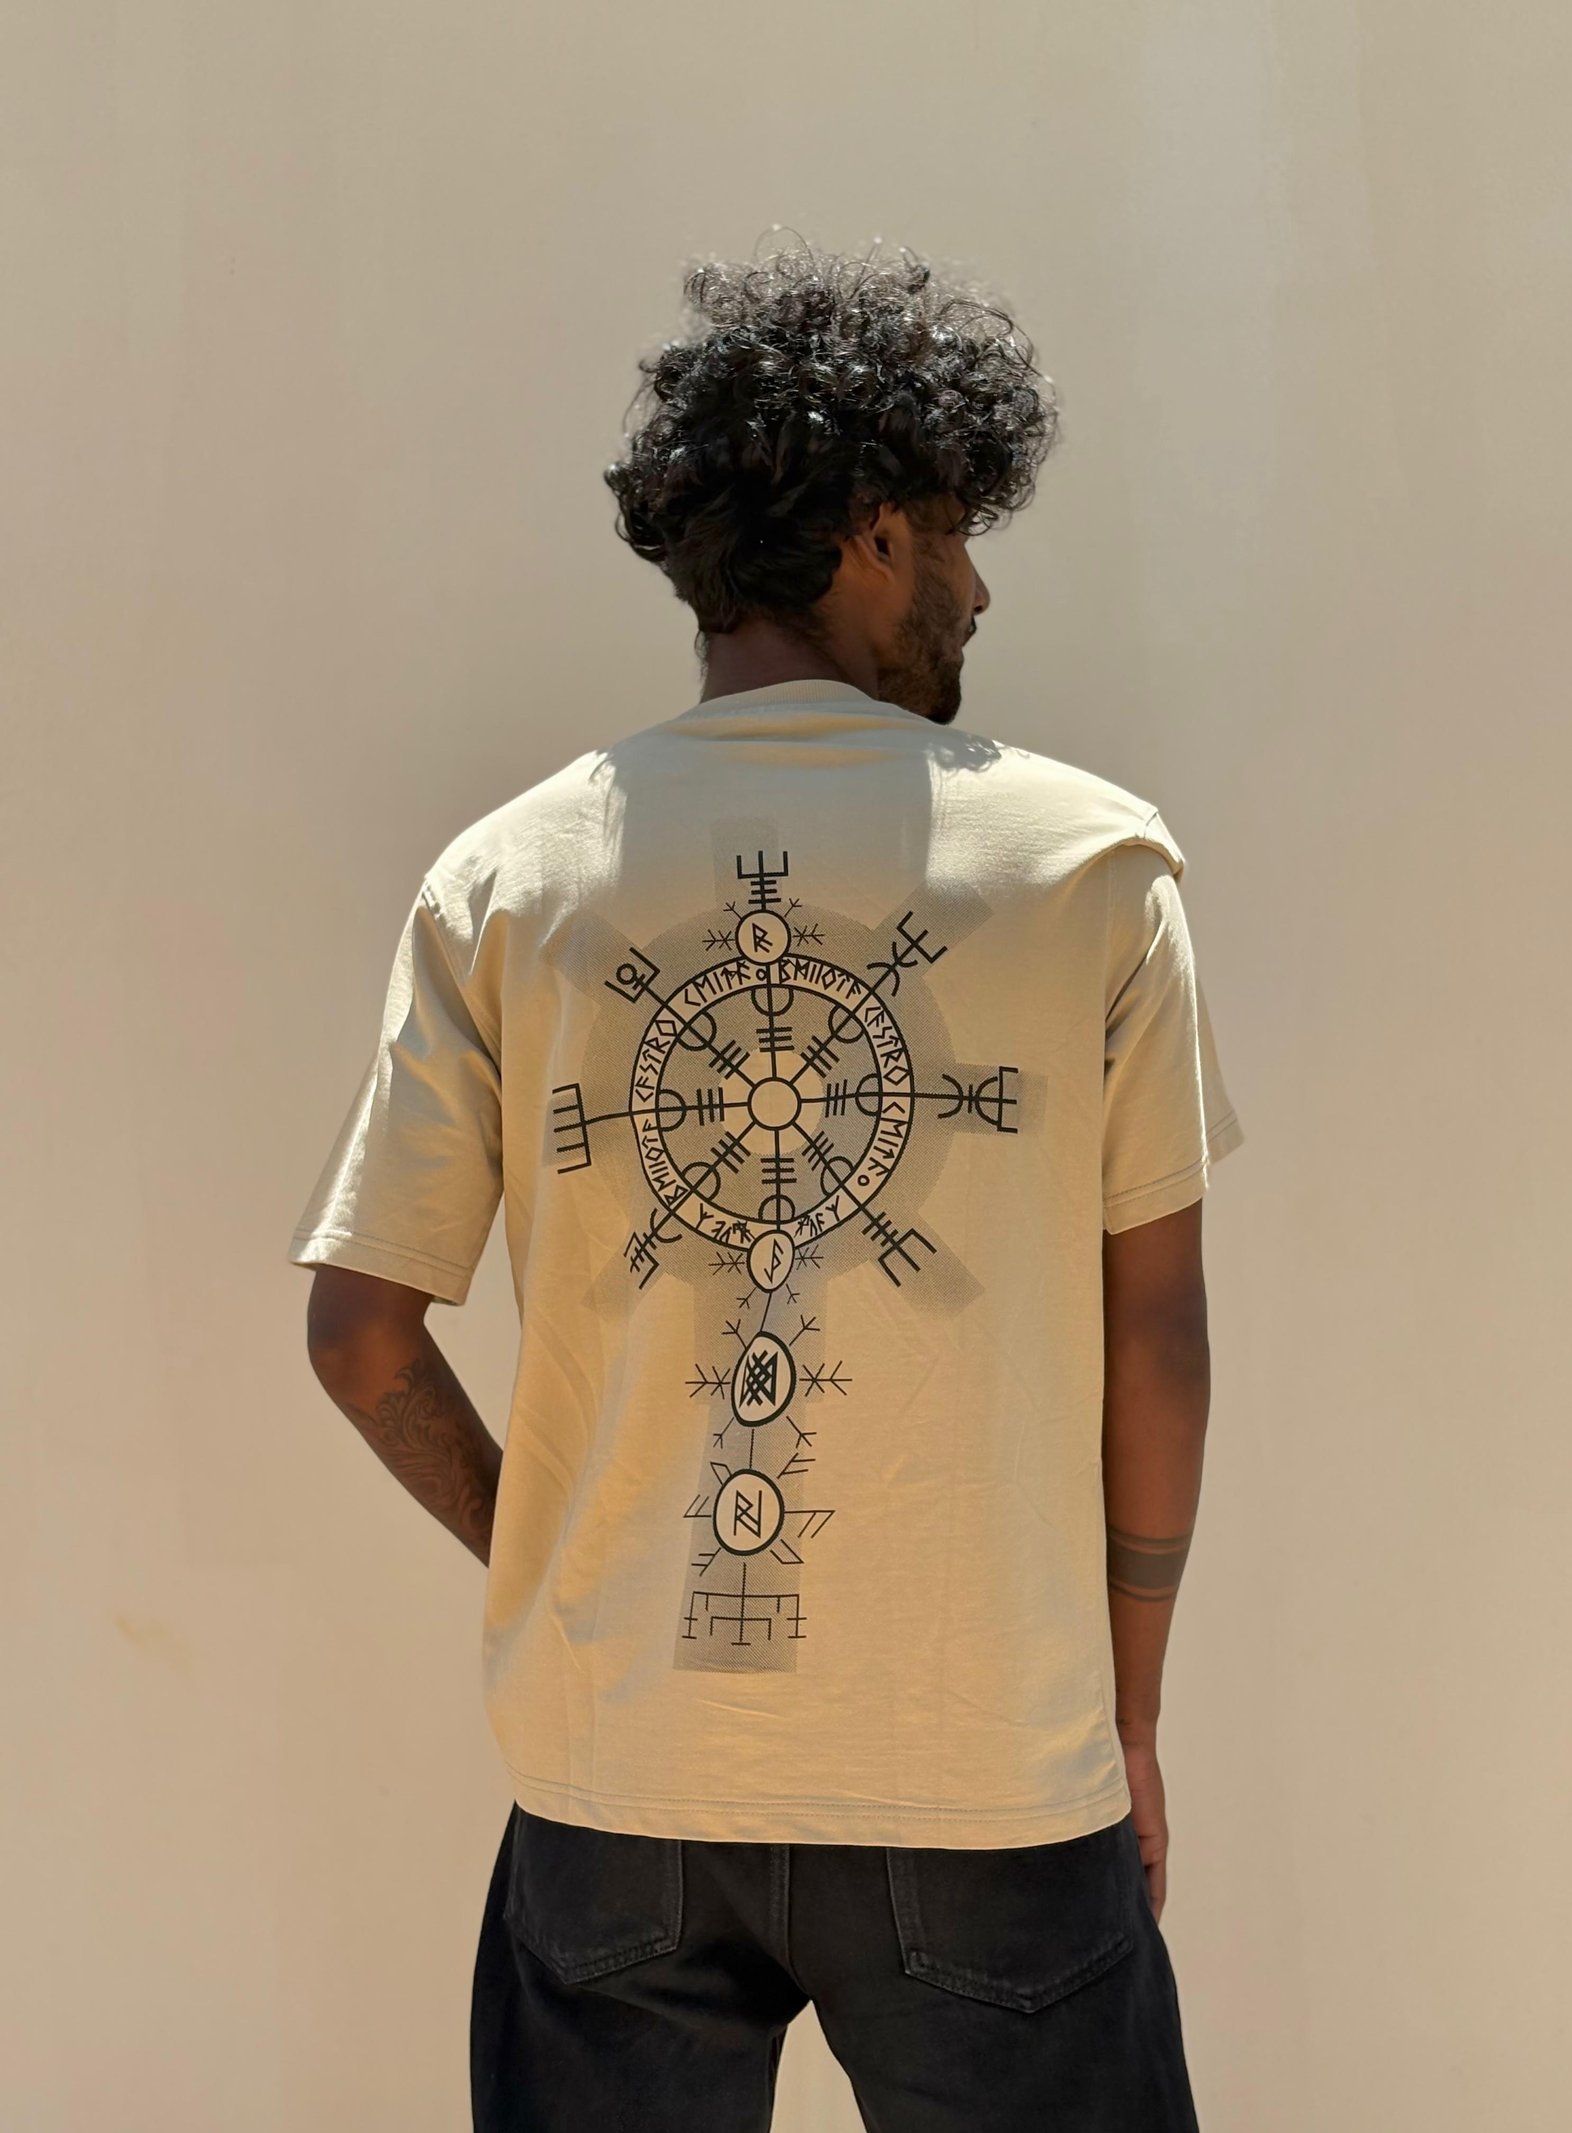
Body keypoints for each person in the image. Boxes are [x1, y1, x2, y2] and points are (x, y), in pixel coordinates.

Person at [288, 239, 1244, 2132]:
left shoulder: (508, 880)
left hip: (619, 1783)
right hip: (989, 1776)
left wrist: (568, 1569)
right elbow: (1157, 1345)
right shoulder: (1090, 868)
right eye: (955, 530)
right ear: (874, 533)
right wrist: (1128, 1716)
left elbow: (359, 1333)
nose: (978, 585)